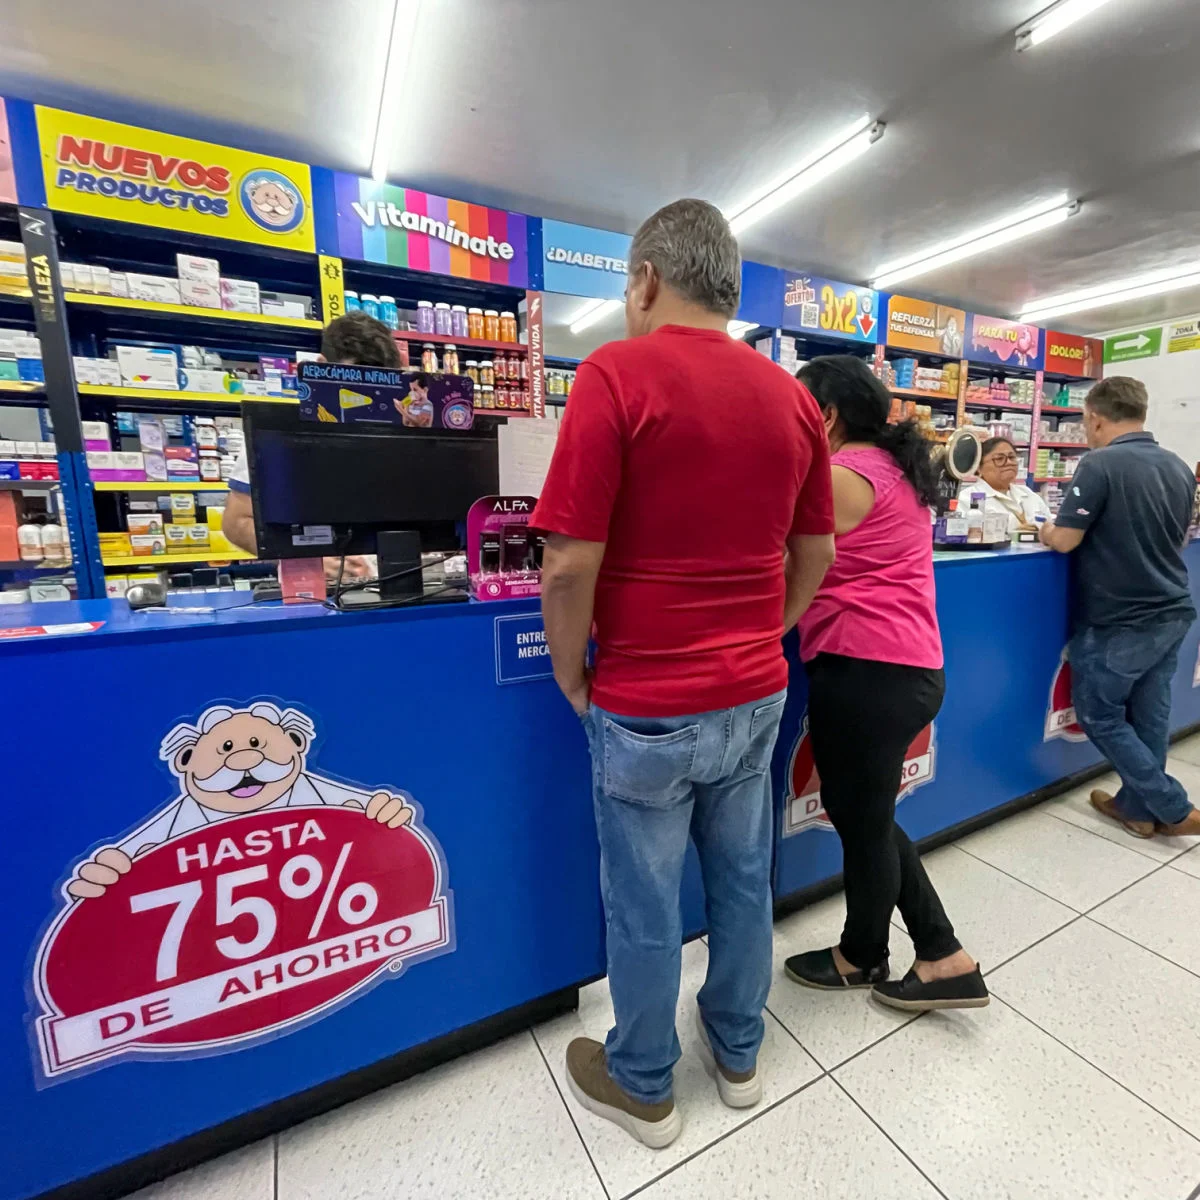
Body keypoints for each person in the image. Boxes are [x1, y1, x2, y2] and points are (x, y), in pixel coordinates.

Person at [532, 198, 835, 1148]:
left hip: (647, 701)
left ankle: (646, 1085)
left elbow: (569, 562)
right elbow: (816, 552)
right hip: (755, 694)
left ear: (647, 280)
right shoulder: (790, 395)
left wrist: (570, 669)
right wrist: (764, 630)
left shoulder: (617, 373)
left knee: (645, 899)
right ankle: (739, 1053)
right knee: (746, 880)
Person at [782, 356, 988, 1013]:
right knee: (865, 814)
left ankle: (866, 956)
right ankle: (939, 952)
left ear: (828, 416)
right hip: (905, 669)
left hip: (866, 670)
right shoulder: (891, 469)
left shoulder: (843, 474)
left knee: (863, 821)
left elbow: (775, 537)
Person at [1040, 375, 1200, 837]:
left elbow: (1067, 540)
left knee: (1100, 714)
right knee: (1149, 715)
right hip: (1172, 609)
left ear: (1094, 416)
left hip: (1120, 617)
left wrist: (1046, 530)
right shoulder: (1177, 466)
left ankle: (1172, 806)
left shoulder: (1099, 465)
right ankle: (1136, 808)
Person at [223, 310, 401, 578]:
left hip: (395, 591)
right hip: (312, 594)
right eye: (354, 385)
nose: (367, 399)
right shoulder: (275, 432)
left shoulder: (403, 433)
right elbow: (236, 522)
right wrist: (309, 560)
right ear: (319, 366)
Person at [958, 436, 1050, 535]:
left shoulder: (1028, 494)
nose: (1009, 463)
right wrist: (1013, 532)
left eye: (1012, 457)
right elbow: (964, 535)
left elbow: (1050, 525)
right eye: (999, 458)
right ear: (979, 467)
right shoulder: (967, 498)